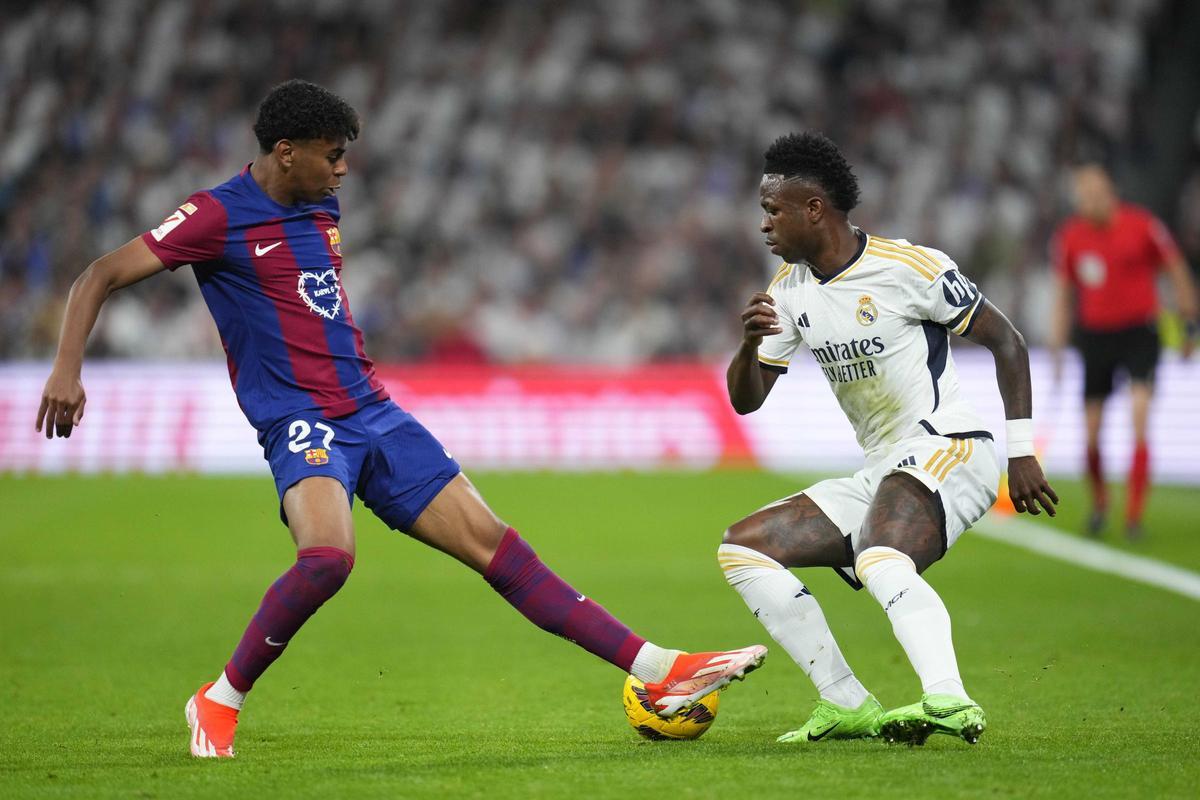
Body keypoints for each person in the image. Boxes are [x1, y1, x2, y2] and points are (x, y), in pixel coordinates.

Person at [35, 79, 766, 759]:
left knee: (500, 550)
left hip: (374, 412)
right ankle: (219, 698)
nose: (343, 170)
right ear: (286, 152)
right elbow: (99, 274)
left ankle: (661, 669)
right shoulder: (216, 215)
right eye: (332, 155)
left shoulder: (321, 207)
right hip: (300, 418)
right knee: (327, 559)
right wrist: (68, 369)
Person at [720, 132, 1057, 746]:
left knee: (881, 556)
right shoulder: (787, 291)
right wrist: (748, 346)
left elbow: (1007, 340)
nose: (764, 224)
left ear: (814, 208)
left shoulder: (909, 267)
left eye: (773, 209)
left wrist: (1022, 449)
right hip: (884, 467)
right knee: (743, 549)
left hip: (950, 445)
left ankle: (950, 700)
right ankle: (846, 701)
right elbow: (746, 400)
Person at [1050, 163, 1198, 540]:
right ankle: (1100, 503)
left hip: (1139, 332)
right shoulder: (1071, 237)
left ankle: (1133, 516)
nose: (1089, 202)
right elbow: (1064, 295)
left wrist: (1189, 325)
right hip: (1095, 337)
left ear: (1110, 191)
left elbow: (1176, 269)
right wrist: (1057, 345)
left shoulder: (1143, 225)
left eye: (1094, 194)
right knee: (1092, 435)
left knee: (1139, 414)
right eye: (1082, 197)